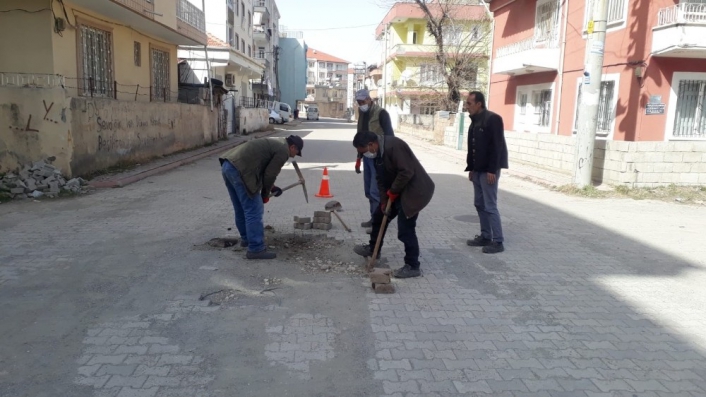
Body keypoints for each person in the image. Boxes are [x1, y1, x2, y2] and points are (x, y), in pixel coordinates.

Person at [352, 131, 434, 278]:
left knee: (405, 229)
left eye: (364, 152)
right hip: (397, 189)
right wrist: (384, 201)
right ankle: (373, 250)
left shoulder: (394, 146)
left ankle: (412, 265)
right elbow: (381, 179)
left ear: (371, 145)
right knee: (378, 216)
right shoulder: (377, 153)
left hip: (414, 191)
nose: (365, 155)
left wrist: (393, 192)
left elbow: (406, 172)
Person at [219, 135, 304, 260]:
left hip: (228, 165)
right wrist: (265, 195)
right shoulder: (283, 151)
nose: (294, 155)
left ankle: (246, 240)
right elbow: (270, 174)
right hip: (241, 170)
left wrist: (272, 188)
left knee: (241, 208)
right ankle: (255, 249)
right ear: (293, 147)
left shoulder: (277, 143)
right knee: (254, 210)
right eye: (296, 152)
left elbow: (264, 168)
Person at [463, 91, 508, 254]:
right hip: (477, 170)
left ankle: (498, 241)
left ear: (478, 104)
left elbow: (497, 147)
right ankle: (485, 236)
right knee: (479, 203)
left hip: (489, 170)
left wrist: (492, 170)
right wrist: (471, 168)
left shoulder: (492, 119)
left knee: (490, 205)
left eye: (469, 103)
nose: (466, 106)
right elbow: (472, 147)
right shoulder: (474, 121)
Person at [354, 89, 395, 234]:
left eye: (362, 102)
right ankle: (374, 218)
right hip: (366, 156)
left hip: (378, 156)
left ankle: (379, 223)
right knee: (368, 191)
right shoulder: (362, 114)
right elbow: (360, 137)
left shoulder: (381, 113)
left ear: (369, 99)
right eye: (358, 103)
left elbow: (390, 136)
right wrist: (359, 157)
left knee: (375, 190)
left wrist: (388, 157)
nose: (361, 105)